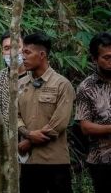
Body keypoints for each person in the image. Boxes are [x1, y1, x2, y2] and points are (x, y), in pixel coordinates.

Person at [17, 33, 75, 193]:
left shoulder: (62, 84)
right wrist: (27, 133)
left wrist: (29, 140)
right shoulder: (20, 85)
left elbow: (59, 123)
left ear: (42, 55)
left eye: (27, 52)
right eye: (22, 53)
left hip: (55, 161)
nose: (23, 57)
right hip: (28, 162)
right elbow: (14, 115)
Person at [75, 32, 111, 193]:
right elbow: (85, 126)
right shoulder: (86, 87)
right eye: (107, 57)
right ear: (95, 59)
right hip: (102, 160)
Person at [0, 30, 28, 128]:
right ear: (2, 52)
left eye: (16, 47)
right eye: (7, 48)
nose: (12, 52)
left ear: (24, 48)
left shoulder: (35, 75)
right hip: (8, 137)